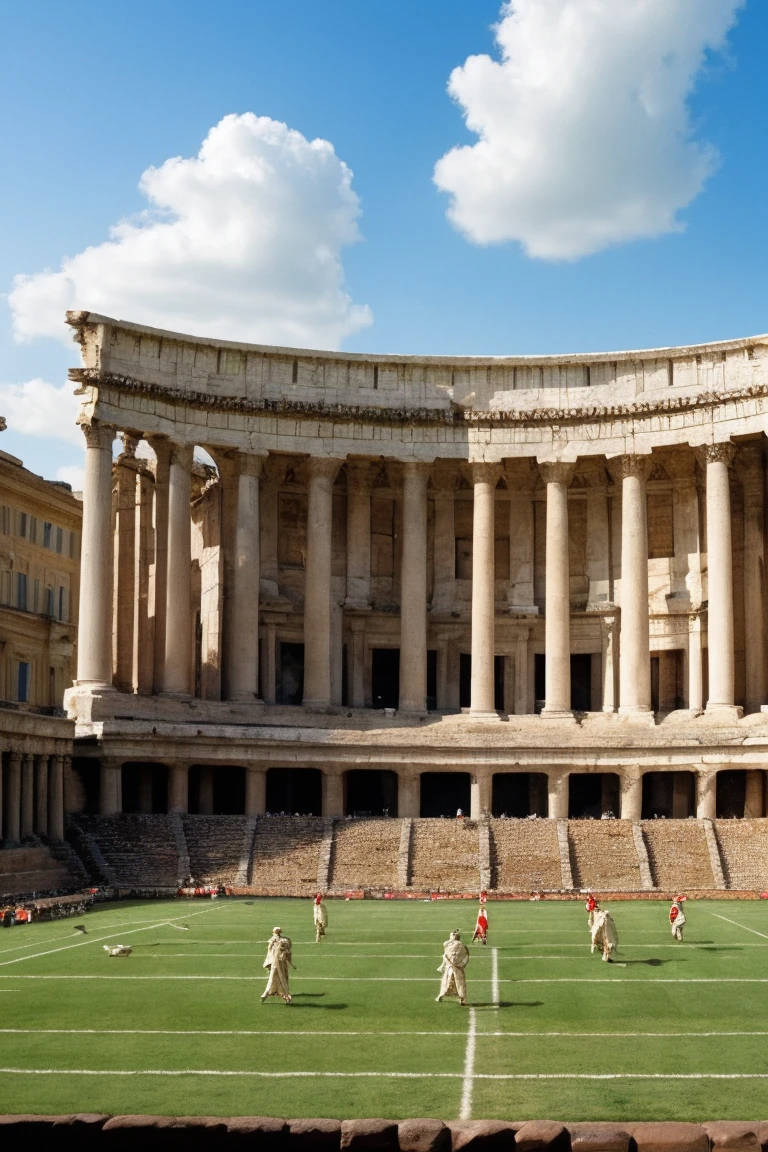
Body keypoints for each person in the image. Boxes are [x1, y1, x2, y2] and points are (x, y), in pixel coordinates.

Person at [261, 926, 294, 1004]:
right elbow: (288, 952)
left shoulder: (273, 941)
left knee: (273, 977)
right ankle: (285, 995)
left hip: (275, 963)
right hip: (282, 963)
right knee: (283, 978)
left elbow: (269, 953)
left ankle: (267, 993)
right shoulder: (285, 940)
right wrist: (290, 963)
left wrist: (267, 962)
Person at [436, 929, 469, 1005]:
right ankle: (462, 999)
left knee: (446, 982)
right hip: (458, 969)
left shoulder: (448, 945)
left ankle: (440, 996)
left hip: (449, 968)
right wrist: (462, 965)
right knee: (460, 984)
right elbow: (466, 957)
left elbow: (445, 956)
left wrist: (446, 964)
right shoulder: (463, 946)